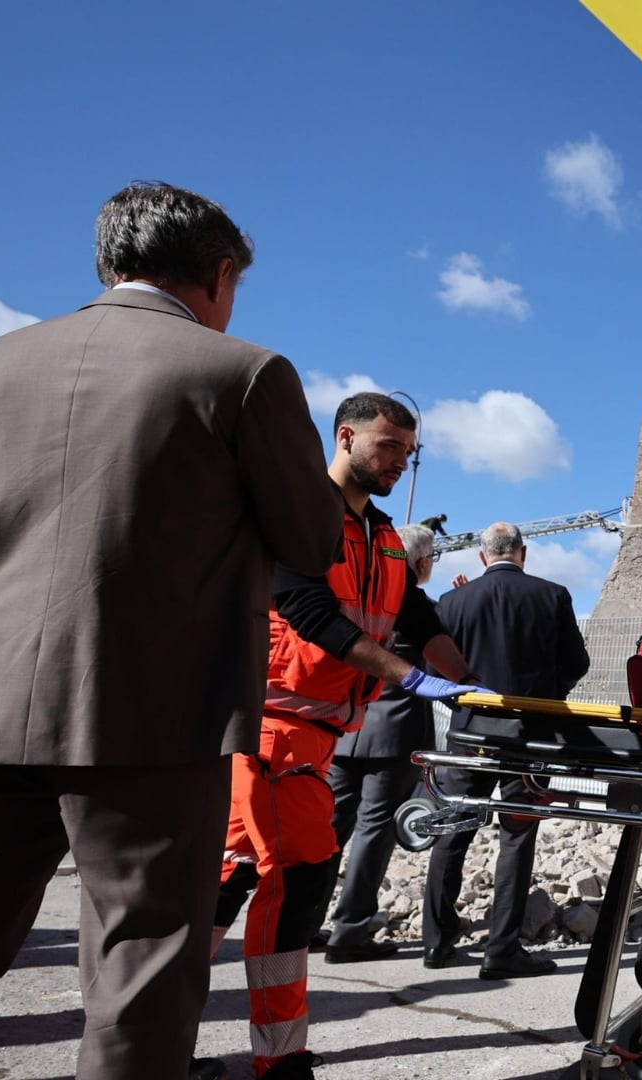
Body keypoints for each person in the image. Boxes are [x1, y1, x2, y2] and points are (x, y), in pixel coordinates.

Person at [0, 181, 344, 1080]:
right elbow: (312, 541)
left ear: (110, 261)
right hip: (153, 713)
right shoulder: (242, 373)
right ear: (220, 274)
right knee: (141, 963)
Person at [206, 393, 480, 1080]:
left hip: (315, 736)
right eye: (389, 447)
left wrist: (474, 686)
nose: (400, 462)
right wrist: (412, 678)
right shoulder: (299, 514)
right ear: (346, 437)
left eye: (408, 452)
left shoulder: (383, 536)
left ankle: (155, 1033)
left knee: (228, 880)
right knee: (300, 879)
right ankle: (279, 1059)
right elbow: (307, 610)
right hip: (274, 731)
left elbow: (419, 619)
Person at [423, 522, 590, 976]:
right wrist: (546, 697)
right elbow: (577, 663)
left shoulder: (452, 601)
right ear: (523, 552)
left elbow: (434, 670)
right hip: (530, 736)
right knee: (517, 836)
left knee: (453, 831)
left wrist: (465, 702)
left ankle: (436, 943)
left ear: (482, 556)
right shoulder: (552, 596)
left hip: (470, 735)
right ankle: (501, 950)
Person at [314, 522, 440, 963]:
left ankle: (304, 923)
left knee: (329, 827)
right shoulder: (417, 605)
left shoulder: (361, 597)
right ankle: (350, 932)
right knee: (374, 830)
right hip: (395, 734)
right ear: (420, 563)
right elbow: (436, 661)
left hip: (347, 727)